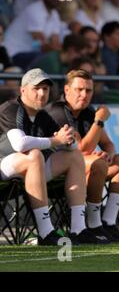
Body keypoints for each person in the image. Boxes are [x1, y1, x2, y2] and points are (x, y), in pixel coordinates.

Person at [0, 68, 109, 245]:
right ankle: (45, 232)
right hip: (4, 165)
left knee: (74, 156)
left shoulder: (43, 115)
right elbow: (19, 145)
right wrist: (55, 140)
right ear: (23, 90)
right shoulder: (10, 108)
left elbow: (71, 146)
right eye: (36, 88)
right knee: (34, 155)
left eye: (46, 89)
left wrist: (68, 139)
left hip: (33, 169)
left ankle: (78, 229)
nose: (42, 93)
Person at [46, 69, 119, 241]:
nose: (84, 95)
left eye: (88, 90)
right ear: (67, 90)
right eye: (79, 89)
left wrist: (108, 154)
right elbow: (82, 150)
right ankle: (94, 225)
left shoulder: (88, 111)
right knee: (97, 163)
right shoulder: (57, 111)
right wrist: (99, 121)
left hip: (83, 168)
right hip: (58, 175)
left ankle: (108, 223)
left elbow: (107, 143)